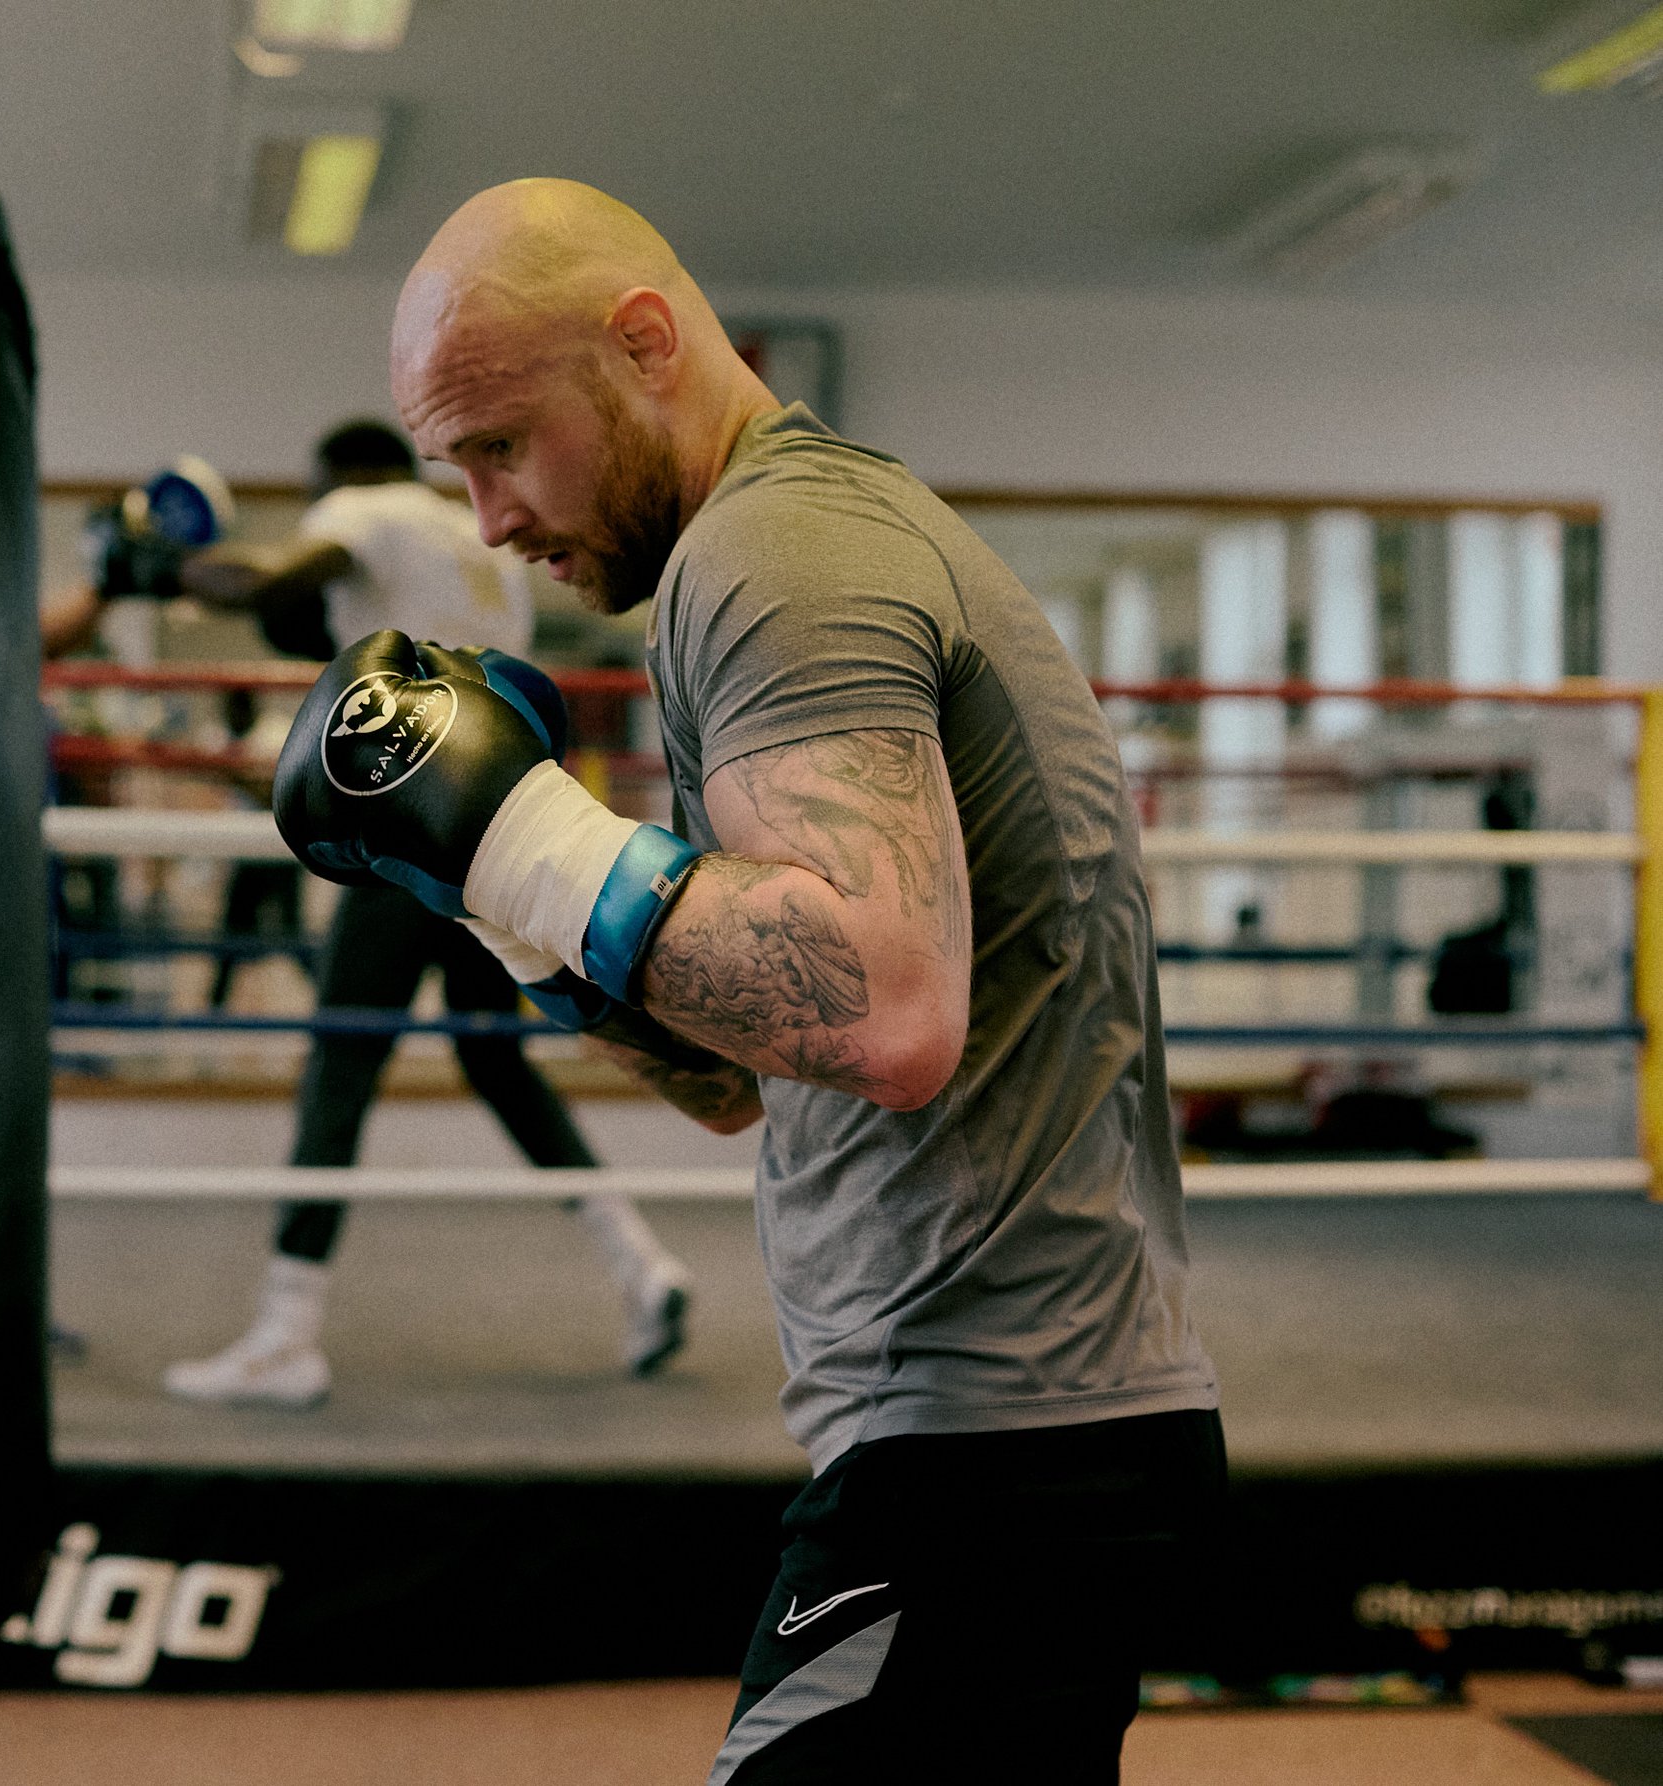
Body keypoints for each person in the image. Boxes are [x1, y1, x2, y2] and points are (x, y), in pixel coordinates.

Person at [270, 181, 1224, 1781]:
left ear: (644, 343)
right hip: (1017, 1425)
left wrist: (527, 836)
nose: (493, 520)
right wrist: (510, 908)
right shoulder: (796, 545)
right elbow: (747, 1074)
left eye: (502, 444)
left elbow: (880, 1010)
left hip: (986, 1438)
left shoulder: (776, 549)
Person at [162, 420, 696, 1408]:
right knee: (493, 1059)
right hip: (504, 825)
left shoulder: (362, 509)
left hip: (414, 828)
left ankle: (286, 1331)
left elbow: (281, 581)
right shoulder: (459, 532)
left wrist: (179, 569)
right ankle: (641, 1263)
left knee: (343, 1049)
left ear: (334, 475)